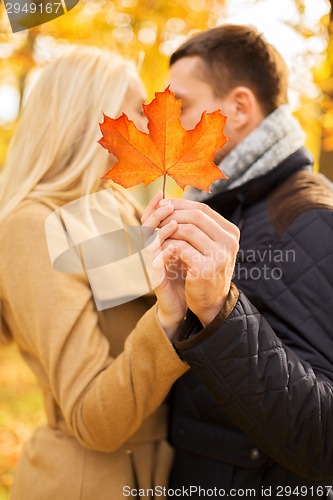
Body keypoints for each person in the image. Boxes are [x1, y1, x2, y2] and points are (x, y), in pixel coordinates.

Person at [0, 46, 193, 499]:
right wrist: (168, 318)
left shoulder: (116, 211)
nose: (150, 127)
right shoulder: (31, 226)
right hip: (86, 482)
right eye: (133, 114)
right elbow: (92, 417)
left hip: (154, 473)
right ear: (87, 121)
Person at [149, 24, 333, 497]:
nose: (169, 127)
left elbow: (324, 439)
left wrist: (218, 311)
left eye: (183, 106)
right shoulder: (223, 208)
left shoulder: (309, 219)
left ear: (239, 108)